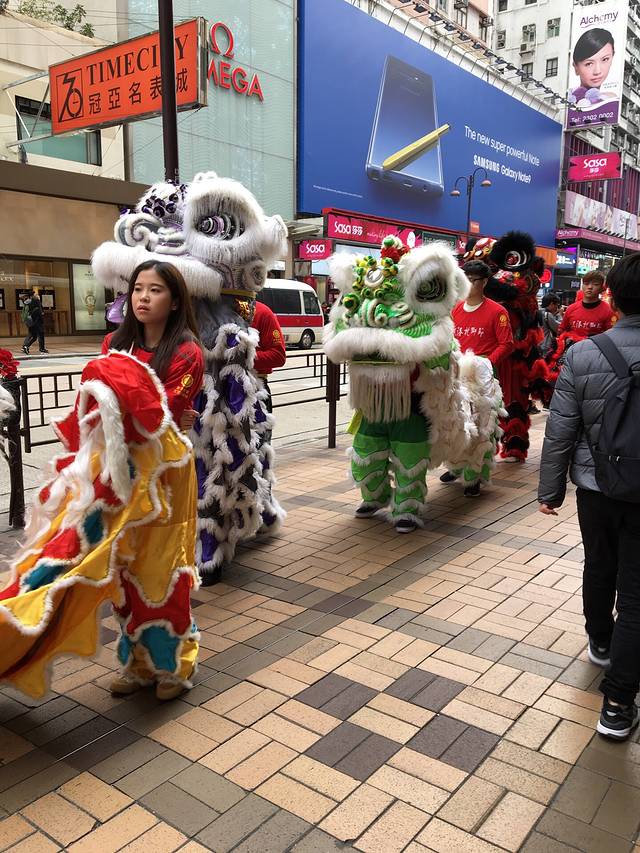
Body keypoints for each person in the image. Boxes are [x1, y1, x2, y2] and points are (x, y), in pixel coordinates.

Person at [0, 260, 204, 702]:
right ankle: (135, 666)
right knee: (119, 568)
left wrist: (144, 407)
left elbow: (162, 412)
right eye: (138, 289)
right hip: (112, 476)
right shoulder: (114, 343)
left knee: (162, 568)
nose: (144, 298)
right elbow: (96, 409)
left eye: (156, 290)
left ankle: (173, 667)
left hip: (165, 475)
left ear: (175, 301)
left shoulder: (187, 352)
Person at [538, 252, 640, 741]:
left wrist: (550, 490)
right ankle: (618, 704)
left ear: (613, 298)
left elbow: (559, 432)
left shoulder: (582, 355)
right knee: (638, 593)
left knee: (599, 566)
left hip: (597, 486)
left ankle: (600, 640)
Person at [441, 259, 514, 496]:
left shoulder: (498, 311)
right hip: (456, 377)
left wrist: (485, 363)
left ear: (484, 282)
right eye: (465, 279)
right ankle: (455, 466)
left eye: (473, 280)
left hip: (481, 379)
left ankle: (474, 475)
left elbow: (507, 344)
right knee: (454, 425)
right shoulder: (454, 309)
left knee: (482, 428)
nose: (468, 284)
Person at [251, 299, 286, 419]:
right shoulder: (207, 310)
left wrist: (244, 357)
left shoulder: (262, 312)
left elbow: (278, 356)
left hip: (256, 390)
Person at [559, 271, 613, 338]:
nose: (590, 287)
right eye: (586, 284)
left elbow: (611, 336)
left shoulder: (608, 311)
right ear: (582, 286)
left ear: (602, 288)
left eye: (595, 284)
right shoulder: (571, 308)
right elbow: (562, 330)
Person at [571, 29, 615, 101]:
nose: (597, 71)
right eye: (589, 64)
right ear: (576, 67)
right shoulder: (568, 99)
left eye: (605, 59)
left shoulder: (610, 98)